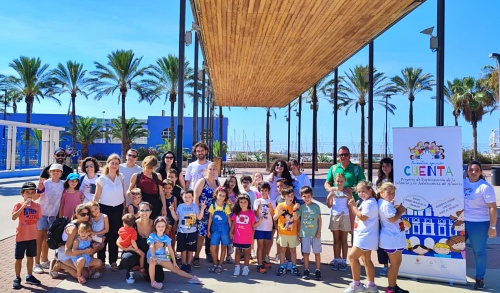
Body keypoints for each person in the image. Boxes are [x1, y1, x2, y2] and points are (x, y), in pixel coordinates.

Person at [464, 161, 498, 290]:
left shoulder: (485, 187)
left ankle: (479, 279)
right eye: (471, 170)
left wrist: (492, 226)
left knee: (479, 251)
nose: (473, 172)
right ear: (467, 171)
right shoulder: (461, 183)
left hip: (478, 223)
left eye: (477, 170)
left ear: (480, 172)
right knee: (455, 248)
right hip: (461, 222)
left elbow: (492, 208)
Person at [324, 146, 366, 246]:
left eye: (345, 154)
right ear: (338, 156)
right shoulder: (334, 168)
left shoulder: (356, 169)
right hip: (337, 205)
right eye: (341, 155)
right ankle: (339, 258)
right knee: (338, 233)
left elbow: (363, 184)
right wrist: (331, 189)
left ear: (349, 155)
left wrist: (353, 189)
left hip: (352, 204)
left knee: (353, 230)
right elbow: (327, 183)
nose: (343, 157)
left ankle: (353, 254)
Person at [117, 202, 166, 285]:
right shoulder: (133, 224)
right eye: (142, 210)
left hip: (150, 255)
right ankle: (130, 271)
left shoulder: (156, 224)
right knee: (127, 258)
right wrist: (125, 248)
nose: (144, 212)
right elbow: (118, 240)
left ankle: (143, 268)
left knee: (159, 278)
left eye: (147, 210)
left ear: (150, 212)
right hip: (135, 252)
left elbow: (164, 241)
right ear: (138, 212)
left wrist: (161, 245)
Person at [49, 204, 102, 280]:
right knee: (85, 275)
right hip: (66, 254)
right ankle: (60, 264)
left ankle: (80, 266)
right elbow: (67, 252)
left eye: (88, 214)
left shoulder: (85, 224)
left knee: (100, 246)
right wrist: (85, 251)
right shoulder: (73, 228)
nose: (86, 216)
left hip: (78, 252)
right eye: (83, 214)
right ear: (77, 214)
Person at [147, 217, 202, 289]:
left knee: (176, 269)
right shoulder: (152, 235)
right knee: (152, 262)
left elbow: (170, 250)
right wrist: (153, 256)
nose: (161, 228)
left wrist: (174, 262)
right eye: (159, 226)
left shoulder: (167, 238)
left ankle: (192, 278)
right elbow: (151, 246)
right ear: (155, 227)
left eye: (163, 226)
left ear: (165, 226)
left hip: (162, 257)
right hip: (152, 256)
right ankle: (153, 282)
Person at [344, 181, 379, 293]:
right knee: (366, 259)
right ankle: (371, 285)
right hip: (364, 235)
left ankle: (356, 284)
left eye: (363, 191)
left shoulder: (369, 203)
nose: (361, 193)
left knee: (352, 257)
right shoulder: (368, 201)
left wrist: (353, 207)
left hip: (365, 237)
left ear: (370, 190)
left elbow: (363, 217)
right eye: (359, 191)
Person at [93, 153, 126, 272]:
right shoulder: (101, 179)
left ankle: (113, 261)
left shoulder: (120, 177)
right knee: (103, 236)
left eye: (117, 163)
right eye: (112, 163)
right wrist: (93, 212)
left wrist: (124, 209)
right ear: (108, 164)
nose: (114, 165)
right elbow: (96, 197)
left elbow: (122, 194)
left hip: (117, 210)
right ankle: (101, 261)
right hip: (104, 209)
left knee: (114, 236)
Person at [378, 182, 409, 293]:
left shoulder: (385, 203)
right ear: (381, 193)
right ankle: (391, 288)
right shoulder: (385, 205)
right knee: (395, 264)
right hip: (392, 238)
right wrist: (400, 212)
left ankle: (394, 285)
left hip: (394, 237)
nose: (391, 195)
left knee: (396, 264)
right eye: (388, 192)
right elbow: (392, 219)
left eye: (393, 193)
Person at [34, 163, 65, 274]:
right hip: (42, 214)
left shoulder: (63, 184)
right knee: (39, 239)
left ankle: (45, 260)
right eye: (53, 171)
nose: (55, 173)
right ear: (50, 172)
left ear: (61, 173)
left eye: (58, 171)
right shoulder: (45, 183)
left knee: (48, 240)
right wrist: (39, 189)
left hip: (53, 216)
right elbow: (35, 197)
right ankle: (36, 263)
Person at [12, 182, 42, 290]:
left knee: (30, 257)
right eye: (27, 192)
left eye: (32, 193)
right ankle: (17, 277)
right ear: (22, 194)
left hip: (32, 237)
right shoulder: (18, 205)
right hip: (21, 237)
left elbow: (38, 218)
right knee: (18, 258)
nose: (29, 195)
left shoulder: (37, 206)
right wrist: (23, 206)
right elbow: (14, 217)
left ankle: (29, 276)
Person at [171, 190, 205, 273]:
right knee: (183, 249)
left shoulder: (195, 206)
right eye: (185, 197)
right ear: (182, 197)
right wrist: (172, 210)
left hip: (192, 231)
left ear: (193, 197)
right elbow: (176, 218)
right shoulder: (180, 206)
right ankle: (183, 264)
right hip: (182, 231)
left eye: (189, 197)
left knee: (190, 249)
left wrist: (202, 209)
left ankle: (188, 264)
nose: (187, 199)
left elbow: (199, 217)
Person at [193, 162, 219, 267]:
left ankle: (212, 255)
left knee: (212, 235)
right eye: (210, 169)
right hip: (202, 213)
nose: (212, 171)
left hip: (213, 214)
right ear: (206, 170)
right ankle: (196, 256)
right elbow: (196, 197)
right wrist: (197, 212)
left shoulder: (217, 183)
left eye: (214, 169)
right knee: (201, 236)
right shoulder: (202, 181)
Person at [326, 173, 352, 271]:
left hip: (345, 216)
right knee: (336, 239)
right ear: (335, 182)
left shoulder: (347, 191)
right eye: (337, 181)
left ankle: (344, 260)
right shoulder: (333, 191)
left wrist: (349, 195)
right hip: (334, 216)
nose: (339, 183)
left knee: (344, 240)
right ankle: (336, 259)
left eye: (341, 181)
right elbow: (329, 205)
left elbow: (351, 203)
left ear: (344, 182)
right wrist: (329, 196)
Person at [231, 194, 261, 276]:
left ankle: (246, 268)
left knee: (247, 253)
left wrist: (260, 221)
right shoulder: (236, 213)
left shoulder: (251, 213)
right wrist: (231, 232)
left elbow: (253, 225)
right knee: (237, 252)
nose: (243, 204)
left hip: (247, 238)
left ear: (248, 203)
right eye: (241, 202)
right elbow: (233, 223)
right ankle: (237, 267)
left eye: (245, 202)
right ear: (238, 203)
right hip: (237, 237)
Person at [128, 155, 166, 220]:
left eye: (152, 168)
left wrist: (164, 207)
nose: (150, 170)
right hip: (141, 205)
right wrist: (133, 198)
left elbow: (161, 193)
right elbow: (129, 191)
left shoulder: (157, 176)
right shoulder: (136, 176)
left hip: (155, 205)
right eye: (148, 167)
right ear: (144, 164)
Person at [274, 186, 300, 277]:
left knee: (293, 250)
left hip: (292, 233)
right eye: (288, 196)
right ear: (284, 197)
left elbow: (296, 219)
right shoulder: (280, 206)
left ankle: (293, 266)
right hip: (282, 232)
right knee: (282, 250)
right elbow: (274, 218)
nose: (291, 198)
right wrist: (279, 213)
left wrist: (295, 210)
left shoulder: (294, 206)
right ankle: (282, 266)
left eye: (292, 196)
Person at [298, 186, 322, 281]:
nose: (307, 198)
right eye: (304, 196)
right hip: (305, 234)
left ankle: (318, 270)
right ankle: (306, 270)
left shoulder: (316, 207)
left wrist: (319, 231)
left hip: (315, 234)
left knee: (317, 252)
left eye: (308, 196)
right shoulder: (302, 208)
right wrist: (299, 234)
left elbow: (319, 220)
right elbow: (299, 221)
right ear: (302, 197)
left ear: (311, 196)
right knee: (306, 253)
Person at [206, 187, 231, 274]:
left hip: (224, 229)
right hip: (215, 229)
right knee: (213, 247)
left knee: (224, 246)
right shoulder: (212, 206)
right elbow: (210, 219)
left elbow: (229, 219)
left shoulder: (226, 207)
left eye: (223, 196)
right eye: (220, 195)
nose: (221, 197)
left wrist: (231, 231)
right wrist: (208, 230)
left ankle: (220, 265)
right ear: (216, 195)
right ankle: (215, 263)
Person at [375, 157, 393, 277]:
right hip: (380, 213)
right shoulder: (378, 181)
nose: (385, 168)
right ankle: (385, 265)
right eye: (383, 166)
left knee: (392, 239)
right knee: (381, 239)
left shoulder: (396, 179)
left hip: (392, 212)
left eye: (387, 165)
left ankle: (393, 264)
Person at [117, 213, 145, 283]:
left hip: (124, 247)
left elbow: (120, 238)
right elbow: (133, 242)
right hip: (130, 247)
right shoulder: (133, 231)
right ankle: (141, 268)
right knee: (142, 254)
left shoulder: (121, 229)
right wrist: (136, 249)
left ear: (124, 223)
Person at [253, 182, 274, 273]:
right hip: (259, 227)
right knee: (260, 245)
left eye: (266, 190)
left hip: (268, 227)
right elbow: (256, 214)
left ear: (268, 191)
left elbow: (274, 215)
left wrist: (271, 207)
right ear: (260, 191)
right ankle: (259, 264)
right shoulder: (257, 201)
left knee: (266, 245)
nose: (264, 192)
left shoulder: (272, 201)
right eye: (262, 190)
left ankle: (263, 260)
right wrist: (258, 208)